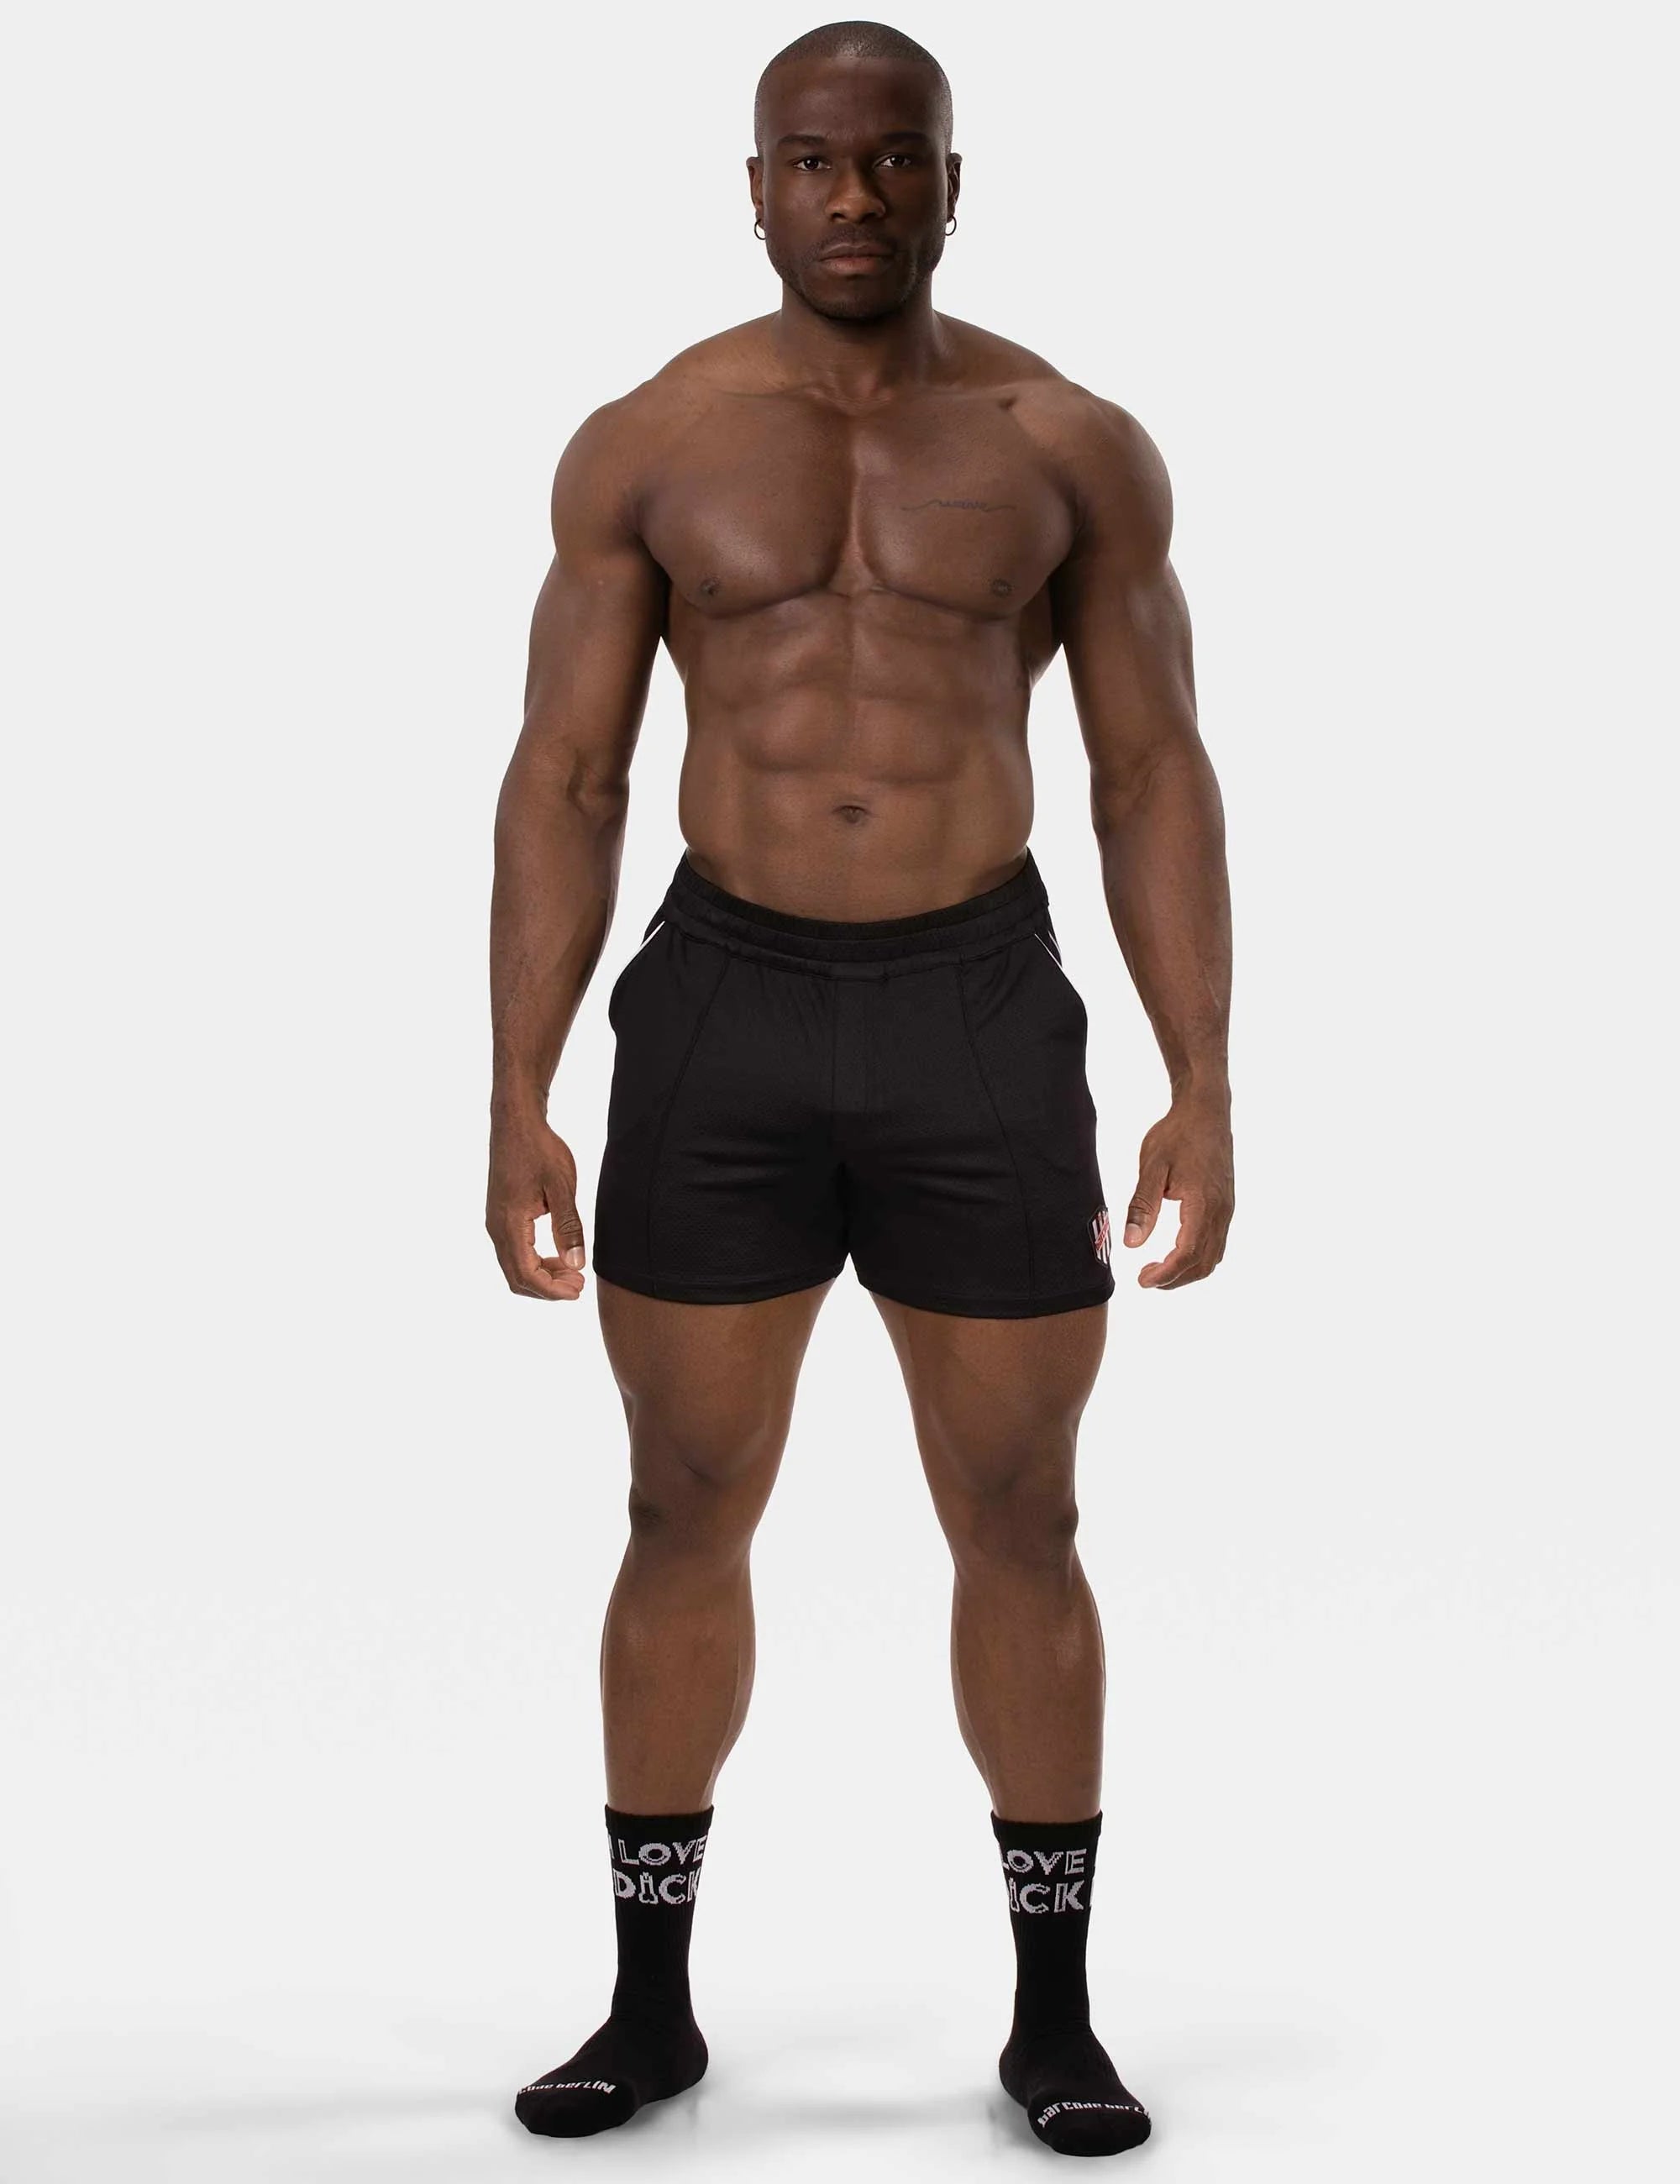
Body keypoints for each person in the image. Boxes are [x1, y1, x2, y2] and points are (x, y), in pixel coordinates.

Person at [486, 17, 1232, 2159]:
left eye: (894, 160)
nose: (853, 197)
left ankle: (1054, 2022)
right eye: (812, 162)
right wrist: (518, 1087)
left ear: (951, 184)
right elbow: (568, 774)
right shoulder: (649, 441)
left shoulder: (1068, 442)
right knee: (678, 1503)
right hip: (718, 1008)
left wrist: (1200, 1077)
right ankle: (648, 2011)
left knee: (1022, 1510)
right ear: (753, 189)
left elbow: (1149, 768)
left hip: (973, 1011)